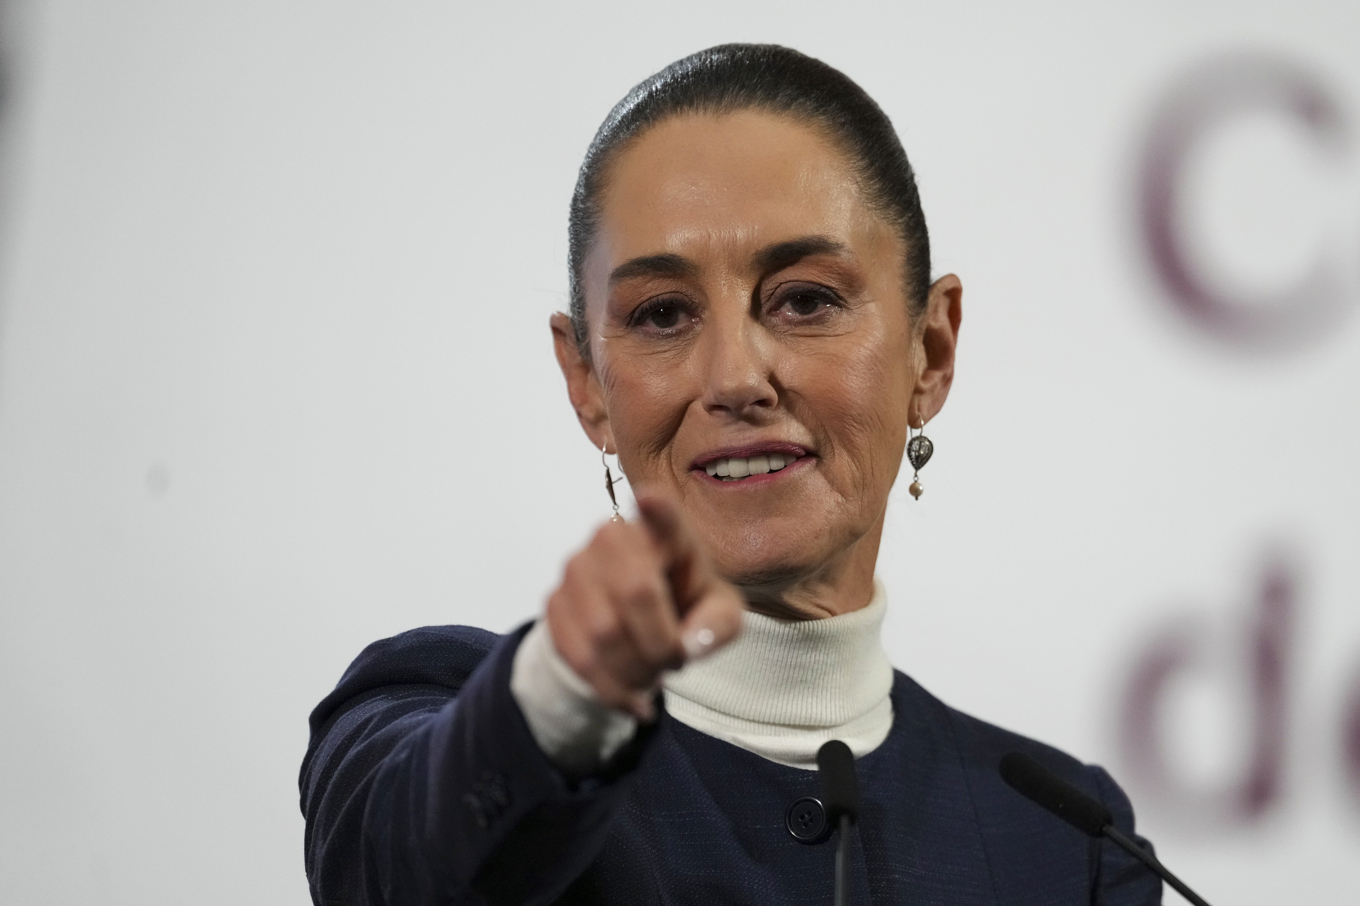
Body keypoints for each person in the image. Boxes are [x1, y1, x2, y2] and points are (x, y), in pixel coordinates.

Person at [299, 44, 1161, 905]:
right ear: (587, 382)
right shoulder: (428, 715)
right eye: (662, 314)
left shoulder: (1065, 843)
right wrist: (563, 700)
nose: (735, 379)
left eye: (805, 299)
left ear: (930, 352)